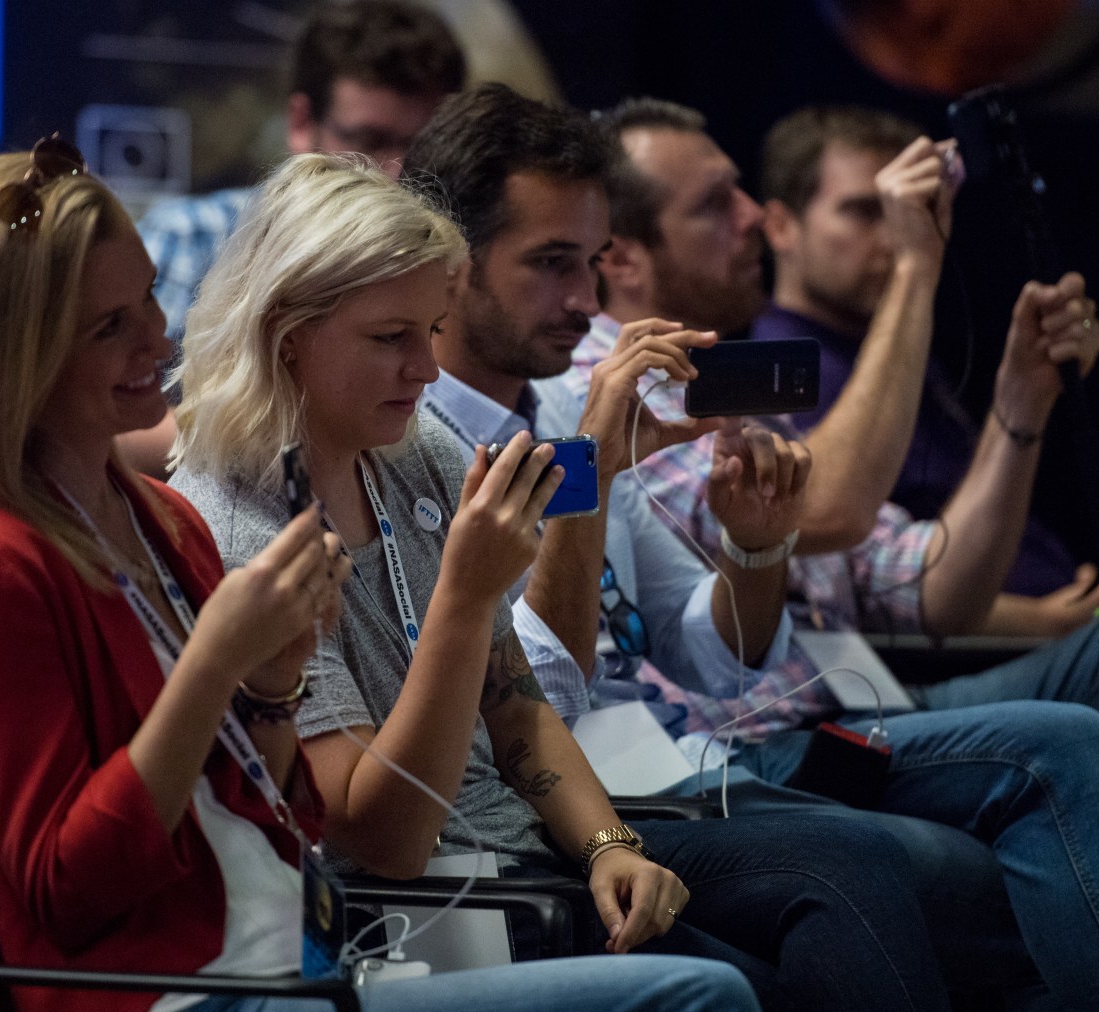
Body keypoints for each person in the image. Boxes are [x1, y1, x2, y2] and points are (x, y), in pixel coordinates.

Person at [0, 137, 759, 1012]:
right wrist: (220, 667)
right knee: (706, 990)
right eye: (110, 326)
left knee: (765, 954)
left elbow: (279, 806)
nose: (160, 342)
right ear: (11, 355)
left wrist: (272, 690)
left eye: (155, 300)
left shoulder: (150, 520)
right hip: (179, 990)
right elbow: (73, 891)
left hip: (293, 948)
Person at [402, 81, 1099, 1009]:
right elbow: (534, 701)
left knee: (1092, 742)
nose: (585, 300)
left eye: (591, 262)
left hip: (687, 761)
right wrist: (587, 470)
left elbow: (714, 654)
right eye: (552, 263)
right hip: (573, 805)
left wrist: (757, 551)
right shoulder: (425, 440)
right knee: (893, 855)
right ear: (450, 262)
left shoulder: (555, 405)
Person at [585, 95, 1099, 1012]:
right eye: (715, 205)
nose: (751, 219)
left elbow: (940, 590)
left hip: (870, 691)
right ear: (617, 256)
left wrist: (1020, 409)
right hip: (773, 737)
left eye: (744, 193)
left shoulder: (727, 378)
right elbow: (833, 508)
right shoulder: (612, 389)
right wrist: (917, 268)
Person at [169, 150, 957, 1011]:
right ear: (289, 338)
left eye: (428, 333)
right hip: (416, 910)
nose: (426, 370)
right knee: (747, 982)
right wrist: (468, 602)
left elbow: (520, 709)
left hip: (533, 855)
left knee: (846, 885)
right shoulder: (231, 527)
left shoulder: (412, 445)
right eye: (390, 339)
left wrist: (610, 845)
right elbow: (387, 839)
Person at [758, 103, 1099, 629]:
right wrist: (1044, 620)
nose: (894, 238)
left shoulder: (885, 343)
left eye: (905, 212)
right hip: (971, 646)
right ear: (781, 226)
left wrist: (1025, 395)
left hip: (1041, 605)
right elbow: (857, 587)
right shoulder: (779, 373)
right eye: (863, 211)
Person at [124, 0, 467, 475]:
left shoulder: (455, 260)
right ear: (302, 122)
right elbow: (92, 426)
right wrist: (287, 427)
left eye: (419, 147)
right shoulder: (188, 239)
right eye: (368, 141)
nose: (395, 173)